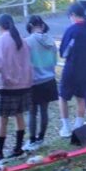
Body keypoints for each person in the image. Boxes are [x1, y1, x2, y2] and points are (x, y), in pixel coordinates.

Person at [0, 14, 33, 160]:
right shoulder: (22, 41)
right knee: (19, 115)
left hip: (7, 85)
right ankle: (18, 147)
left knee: (3, 118)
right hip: (24, 84)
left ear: (0, 27)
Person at [57, 4, 86, 137]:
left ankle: (66, 127)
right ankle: (79, 124)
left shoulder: (72, 30)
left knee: (63, 97)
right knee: (81, 97)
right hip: (85, 68)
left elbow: (64, 51)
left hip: (72, 67)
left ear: (72, 15)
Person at [25, 15, 59, 150]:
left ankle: (32, 140)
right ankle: (41, 137)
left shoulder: (27, 42)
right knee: (44, 110)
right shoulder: (51, 40)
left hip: (34, 81)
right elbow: (55, 61)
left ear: (31, 25)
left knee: (32, 112)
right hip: (49, 79)